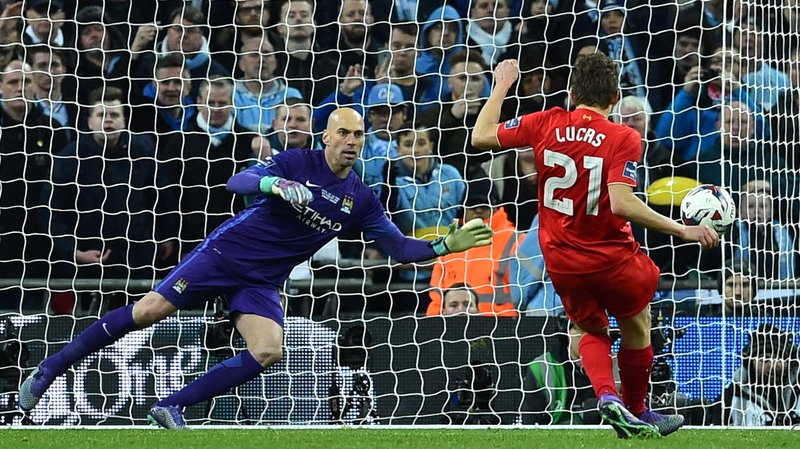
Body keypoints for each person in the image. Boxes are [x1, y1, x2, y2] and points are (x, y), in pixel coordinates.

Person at [18, 108, 494, 430]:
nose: (351, 141)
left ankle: (171, 406)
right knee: (147, 312)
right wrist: (273, 183)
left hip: (263, 280)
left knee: (268, 349)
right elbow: (237, 180)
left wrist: (445, 246)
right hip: (225, 255)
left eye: (358, 135)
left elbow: (399, 248)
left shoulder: (361, 199)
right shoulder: (297, 161)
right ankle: (49, 369)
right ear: (326, 136)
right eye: (343, 133)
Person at [471, 53, 720, 438]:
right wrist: (681, 230)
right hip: (610, 256)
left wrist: (503, 83)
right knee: (638, 325)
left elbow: (480, 135)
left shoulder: (545, 122)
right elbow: (621, 203)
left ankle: (606, 395)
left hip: (561, 258)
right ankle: (637, 409)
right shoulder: (623, 137)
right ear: (615, 98)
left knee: (587, 327)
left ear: (572, 94)